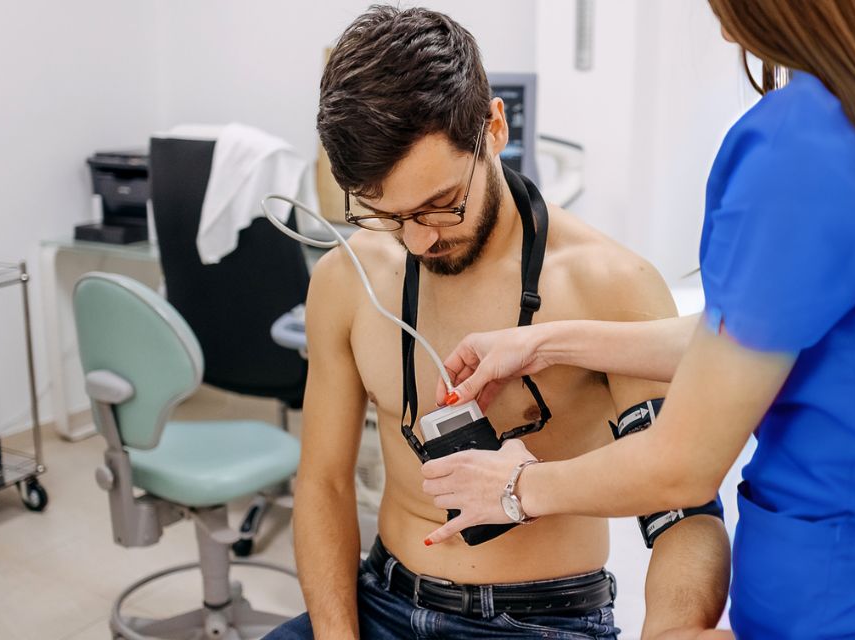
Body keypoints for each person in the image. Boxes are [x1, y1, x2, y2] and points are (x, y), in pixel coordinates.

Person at [417, 0, 855, 637]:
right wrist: (550, 343)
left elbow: (682, 465)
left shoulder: (804, 143)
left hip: (833, 611)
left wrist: (516, 486)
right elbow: (783, 335)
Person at [265, 6, 731, 640]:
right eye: (389, 215)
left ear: (493, 127)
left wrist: (671, 628)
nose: (421, 239)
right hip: (380, 597)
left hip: (538, 621)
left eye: (440, 204)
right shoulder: (348, 281)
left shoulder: (609, 286)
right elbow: (321, 482)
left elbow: (684, 515)